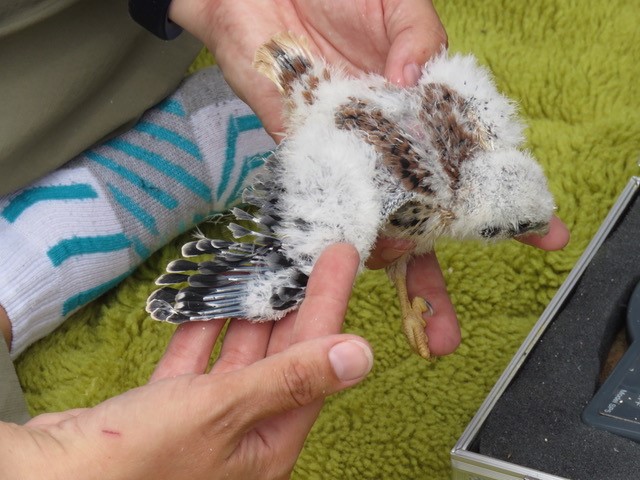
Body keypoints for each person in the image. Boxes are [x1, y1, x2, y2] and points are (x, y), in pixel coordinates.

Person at [0, 0, 570, 477]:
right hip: (326, 122)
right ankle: (194, 147)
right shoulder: (430, 171)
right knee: (303, 262)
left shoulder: (457, 155)